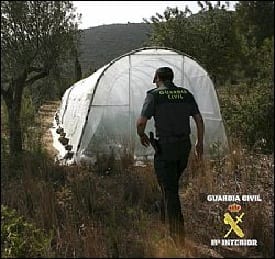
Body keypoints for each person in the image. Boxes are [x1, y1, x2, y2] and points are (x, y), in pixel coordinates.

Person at [136, 67, 204, 245]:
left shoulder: (154, 95)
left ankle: (177, 236)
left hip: (166, 148)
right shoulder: (185, 94)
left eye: (155, 79)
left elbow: (142, 121)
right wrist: (200, 142)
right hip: (184, 147)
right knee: (170, 184)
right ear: (171, 78)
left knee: (170, 190)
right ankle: (164, 218)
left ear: (158, 78)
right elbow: (198, 119)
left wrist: (141, 134)